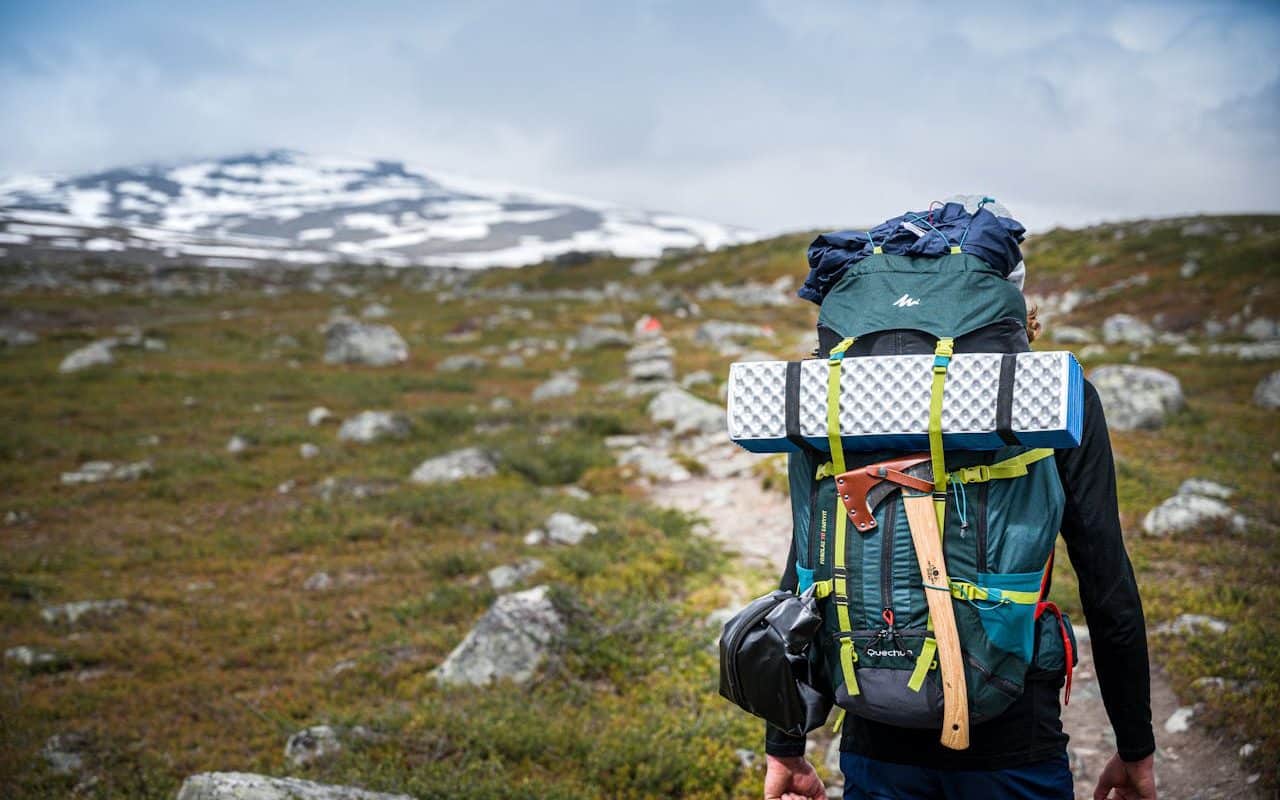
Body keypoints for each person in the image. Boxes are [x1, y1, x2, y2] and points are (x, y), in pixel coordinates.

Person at [763, 221, 1159, 799]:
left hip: (876, 735)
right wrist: (1135, 747)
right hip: (1015, 739)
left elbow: (804, 578)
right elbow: (1107, 583)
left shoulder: (827, 403)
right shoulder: (1051, 396)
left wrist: (786, 744)